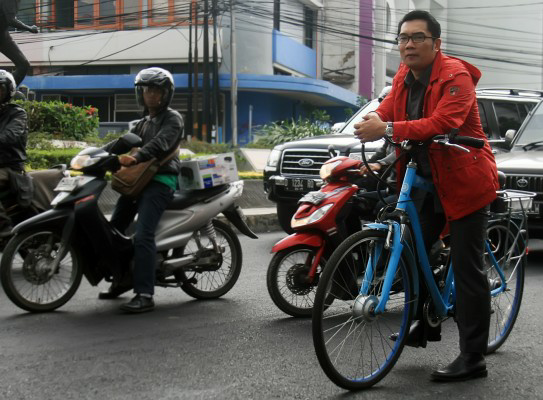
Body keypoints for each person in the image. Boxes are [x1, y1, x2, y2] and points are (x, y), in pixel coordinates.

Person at [353, 10, 499, 382]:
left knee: (468, 268)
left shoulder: (456, 76)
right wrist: (371, 122)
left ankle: (473, 358)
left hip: (465, 180)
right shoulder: (404, 75)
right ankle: (425, 322)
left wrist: (387, 126)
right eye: (403, 38)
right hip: (422, 177)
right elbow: (386, 108)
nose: (408, 44)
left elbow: (443, 122)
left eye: (417, 38)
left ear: (436, 44)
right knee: (415, 252)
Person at [99, 67, 184, 313]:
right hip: (138, 182)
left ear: (166, 94)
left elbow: (160, 144)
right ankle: (122, 279)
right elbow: (122, 142)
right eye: (147, 90)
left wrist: (135, 158)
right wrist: (95, 155)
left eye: (156, 90)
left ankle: (145, 293)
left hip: (160, 182)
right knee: (115, 229)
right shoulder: (143, 122)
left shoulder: (172, 118)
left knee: (144, 234)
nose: (151, 95)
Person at [0, 69, 28, 238]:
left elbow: (9, 136)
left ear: (8, 91)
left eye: (0, 89)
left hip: (10, 166)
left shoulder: (17, 113)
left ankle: (4, 231)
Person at [0, 0, 39, 86]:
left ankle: (8, 89)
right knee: (23, 65)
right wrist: (29, 28)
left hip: (3, 36)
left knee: (23, 65)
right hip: (3, 36)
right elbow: (11, 20)